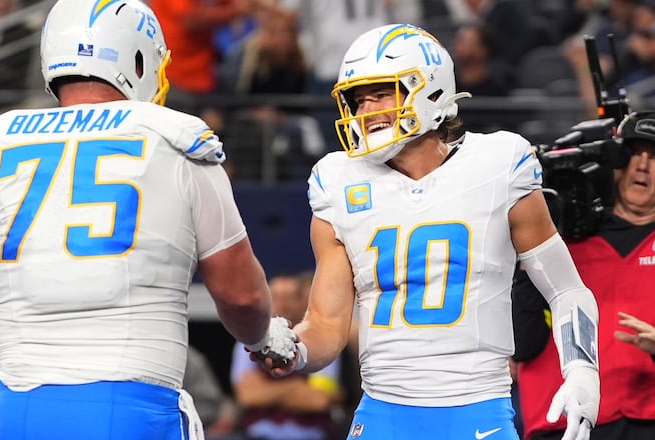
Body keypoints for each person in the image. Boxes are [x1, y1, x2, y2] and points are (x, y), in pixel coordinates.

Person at [0, 1, 298, 439]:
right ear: (139, 59)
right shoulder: (177, 141)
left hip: (25, 407)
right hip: (131, 404)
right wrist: (262, 339)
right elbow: (240, 294)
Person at [253, 23, 601, 440]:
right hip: (383, 410)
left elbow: (566, 290)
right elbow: (327, 323)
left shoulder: (496, 164)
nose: (366, 111)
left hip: (476, 407)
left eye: (381, 93)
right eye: (358, 100)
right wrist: (295, 349)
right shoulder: (338, 181)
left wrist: (582, 369)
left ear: (431, 89)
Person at [512, 110, 655, 440]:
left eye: (654, 156)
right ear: (615, 163)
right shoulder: (557, 242)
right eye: (632, 153)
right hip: (563, 423)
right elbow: (522, 344)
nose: (643, 165)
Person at [231, 272, 344, 440]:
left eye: (290, 297)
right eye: (277, 297)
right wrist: (294, 389)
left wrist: (267, 391)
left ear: (301, 301)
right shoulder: (249, 340)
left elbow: (318, 400)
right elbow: (247, 396)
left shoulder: (320, 341)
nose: (283, 304)